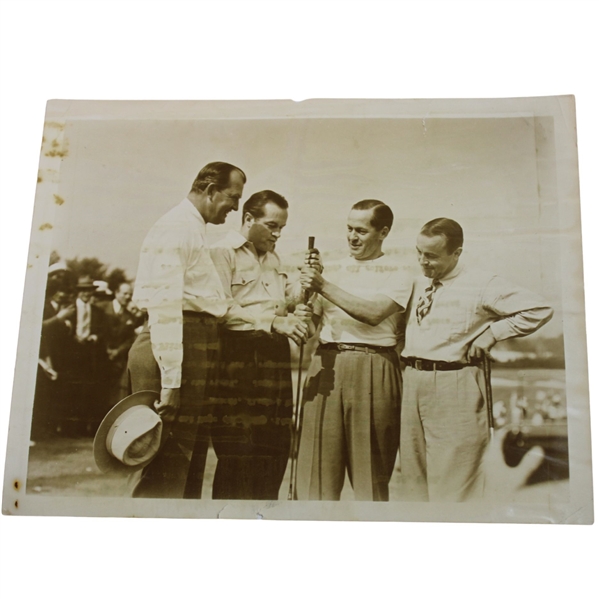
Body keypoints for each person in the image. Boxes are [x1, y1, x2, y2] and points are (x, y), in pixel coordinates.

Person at [399, 217, 554, 502]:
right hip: (411, 380)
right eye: (418, 253)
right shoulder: (418, 282)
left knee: (455, 486)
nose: (423, 262)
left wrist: (492, 333)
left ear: (456, 253)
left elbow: (539, 308)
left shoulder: (481, 283)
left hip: (454, 382)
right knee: (412, 482)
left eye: (431, 256)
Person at [127, 161, 245, 499]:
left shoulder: (192, 229)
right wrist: (171, 382)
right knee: (165, 464)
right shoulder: (176, 228)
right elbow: (165, 309)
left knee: (187, 466)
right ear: (210, 191)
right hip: (176, 346)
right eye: (233, 198)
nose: (235, 207)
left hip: (194, 345)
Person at [297, 200, 412, 501]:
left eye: (361, 230)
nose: (352, 237)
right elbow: (311, 328)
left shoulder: (399, 270)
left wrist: (322, 284)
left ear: (383, 232)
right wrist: (301, 313)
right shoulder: (331, 268)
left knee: (370, 480)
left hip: (373, 368)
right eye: (349, 228)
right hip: (325, 365)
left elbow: (374, 313)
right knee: (315, 478)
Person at [209, 190, 310, 500]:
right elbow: (221, 309)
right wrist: (273, 323)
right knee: (239, 452)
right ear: (248, 219)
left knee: (275, 448)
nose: (277, 234)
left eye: (281, 227)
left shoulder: (274, 257)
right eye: (272, 226)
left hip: (274, 356)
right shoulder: (221, 252)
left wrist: (307, 283)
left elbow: (287, 302)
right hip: (237, 358)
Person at [103, 282, 142, 408]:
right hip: (100, 358)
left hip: (118, 361)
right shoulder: (102, 308)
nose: (127, 297)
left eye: (130, 294)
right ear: (116, 293)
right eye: (124, 293)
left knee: (114, 395)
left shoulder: (129, 316)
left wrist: (118, 351)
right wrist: (106, 349)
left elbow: (130, 339)